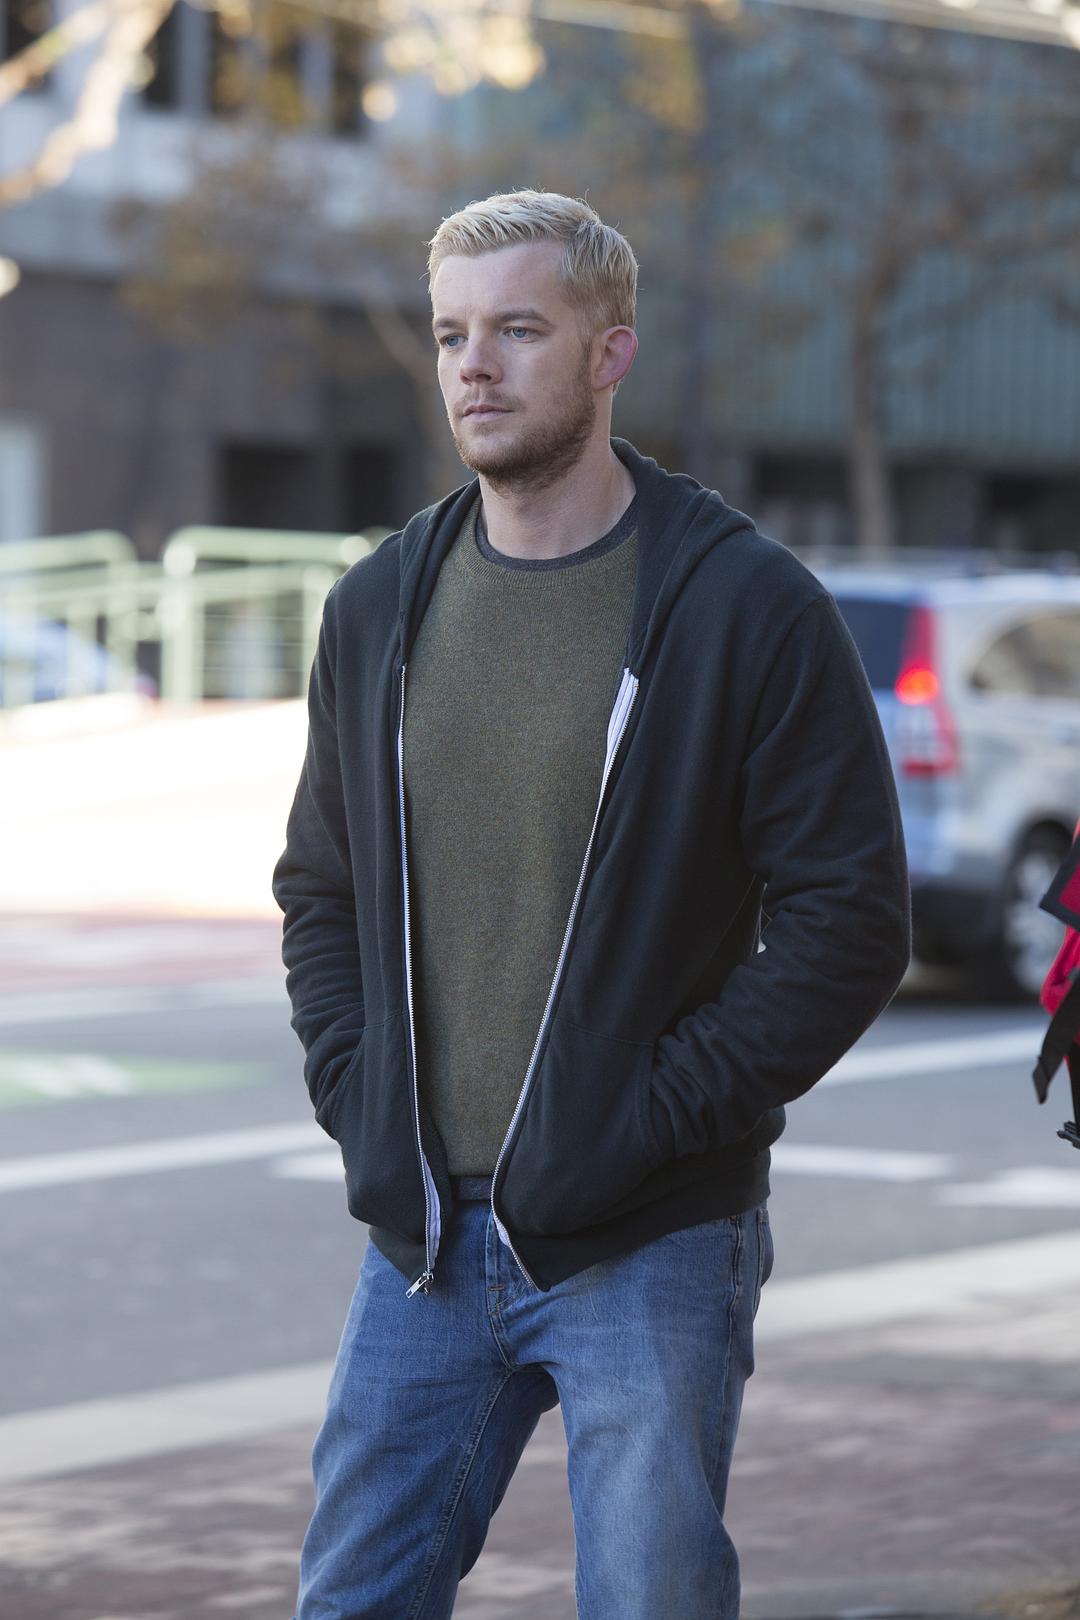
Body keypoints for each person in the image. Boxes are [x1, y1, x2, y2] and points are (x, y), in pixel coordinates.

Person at [272, 188, 911, 1620]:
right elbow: (321, 885)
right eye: (451, 335)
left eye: (517, 330)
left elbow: (849, 919)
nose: (474, 368)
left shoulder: (743, 606)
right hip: (425, 1242)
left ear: (610, 352)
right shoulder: (378, 607)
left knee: (648, 1602)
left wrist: (650, 1119)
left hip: (652, 1237)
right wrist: (356, 1090)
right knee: (352, 1598)